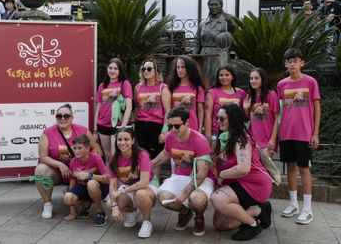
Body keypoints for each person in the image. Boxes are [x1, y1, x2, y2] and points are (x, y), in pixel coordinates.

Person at [211, 103, 273, 241]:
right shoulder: (225, 137)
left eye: (222, 119)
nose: (218, 121)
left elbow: (244, 169)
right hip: (239, 184)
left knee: (217, 198)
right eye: (217, 118)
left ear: (233, 120)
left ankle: (252, 225)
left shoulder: (240, 139)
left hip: (255, 185)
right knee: (221, 225)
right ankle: (258, 210)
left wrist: (222, 175)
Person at [151, 107, 214, 236]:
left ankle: (199, 217)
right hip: (180, 176)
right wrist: (147, 165)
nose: (173, 130)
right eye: (170, 126)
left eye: (177, 126)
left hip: (201, 178)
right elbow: (165, 154)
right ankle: (185, 213)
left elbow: (201, 173)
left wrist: (185, 193)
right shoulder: (170, 136)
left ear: (187, 122)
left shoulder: (200, 140)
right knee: (163, 198)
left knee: (196, 200)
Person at [277, 48, 321, 225]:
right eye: (289, 61)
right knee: (291, 168)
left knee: (304, 169)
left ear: (302, 62)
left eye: (296, 60)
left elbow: (317, 107)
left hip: (305, 133)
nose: (292, 64)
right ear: (286, 64)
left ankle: (308, 209)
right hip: (287, 133)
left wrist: (315, 133)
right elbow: (280, 109)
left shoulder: (311, 82)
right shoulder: (282, 84)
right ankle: (293, 204)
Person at [33, 103, 97, 219]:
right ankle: (47, 205)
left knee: (82, 195)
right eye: (59, 116)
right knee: (40, 170)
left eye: (66, 116)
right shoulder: (47, 133)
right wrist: (60, 165)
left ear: (72, 117)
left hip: (79, 172)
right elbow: (43, 157)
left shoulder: (83, 130)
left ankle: (87, 204)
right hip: (58, 172)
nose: (62, 118)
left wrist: (87, 170)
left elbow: (95, 152)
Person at [106, 126, 159, 238]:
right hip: (129, 187)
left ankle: (147, 222)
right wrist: (115, 207)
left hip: (148, 186)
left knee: (140, 194)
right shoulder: (114, 160)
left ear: (133, 141)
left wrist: (121, 192)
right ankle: (134, 210)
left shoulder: (142, 155)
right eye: (119, 140)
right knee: (110, 204)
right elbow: (112, 186)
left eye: (126, 139)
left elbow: (144, 183)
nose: (122, 143)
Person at [133, 58, 170, 177]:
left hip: (157, 125)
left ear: (156, 71)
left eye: (149, 69)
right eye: (144, 69)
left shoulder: (163, 88)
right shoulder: (138, 87)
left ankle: (155, 183)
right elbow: (137, 108)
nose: (146, 71)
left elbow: (168, 111)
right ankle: (144, 181)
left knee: (156, 155)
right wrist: (134, 123)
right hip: (141, 125)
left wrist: (164, 131)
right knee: (142, 155)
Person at [63, 134, 110, 226]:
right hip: (83, 187)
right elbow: (72, 183)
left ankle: (100, 211)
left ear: (88, 148)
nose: (76, 151)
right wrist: (73, 212)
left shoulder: (95, 157)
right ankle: (86, 204)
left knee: (91, 184)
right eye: (74, 148)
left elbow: (108, 179)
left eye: (80, 148)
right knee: (67, 198)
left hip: (100, 187)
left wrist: (88, 175)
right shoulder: (73, 162)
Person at [94, 58, 133, 165]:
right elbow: (98, 108)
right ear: (107, 69)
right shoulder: (102, 86)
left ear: (120, 70)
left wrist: (123, 128)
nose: (112, 71)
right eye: (110, 68)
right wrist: (95, 130)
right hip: (102, 124)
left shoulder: (125, 84)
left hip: (118, 125)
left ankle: (119, 181)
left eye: (115, 68)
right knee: (108, 156)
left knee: (115, 154)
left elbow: (129, 107)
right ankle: (109, 180)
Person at [193, 0, 236, 83]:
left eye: (216, 4)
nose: (213, 7)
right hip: (204, 55)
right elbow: (197, 41)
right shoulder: (203, 24)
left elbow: (233, 34)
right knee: (203, 79)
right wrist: (194, 56)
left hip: (219, 55)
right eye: (211, 5)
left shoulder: (226, 21)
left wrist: (231, 23)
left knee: (218, 78)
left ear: (221, 5)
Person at [204, 65, 247, 149]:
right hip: (216, 132)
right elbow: (208, 115)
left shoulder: (241, 93)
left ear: (232, 77)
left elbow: (244, 114)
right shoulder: (212, 92)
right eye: (221, 75)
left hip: (236, 133)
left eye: (227, 75)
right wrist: (208, 135)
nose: (224, 77)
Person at [243, 68, 279, 155]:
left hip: (267, 140)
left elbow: (277, 119)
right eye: (251, 78)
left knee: (264, 167)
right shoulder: (249, 97)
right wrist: (246, 109)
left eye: (256, 78)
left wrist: (273, 139)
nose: (253, 81)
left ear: (263, 79)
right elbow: (248, 119)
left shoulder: (271, 95)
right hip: (252, 140)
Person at [168, 55, 206, 133]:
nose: (180, 70)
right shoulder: (171, 87)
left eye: (183, 67)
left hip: (193, 127)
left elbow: (200, 110)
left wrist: (200, 128)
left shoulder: (198, 88)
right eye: (178, 67)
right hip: (175, 127)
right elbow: (168, 109)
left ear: (189, 68)